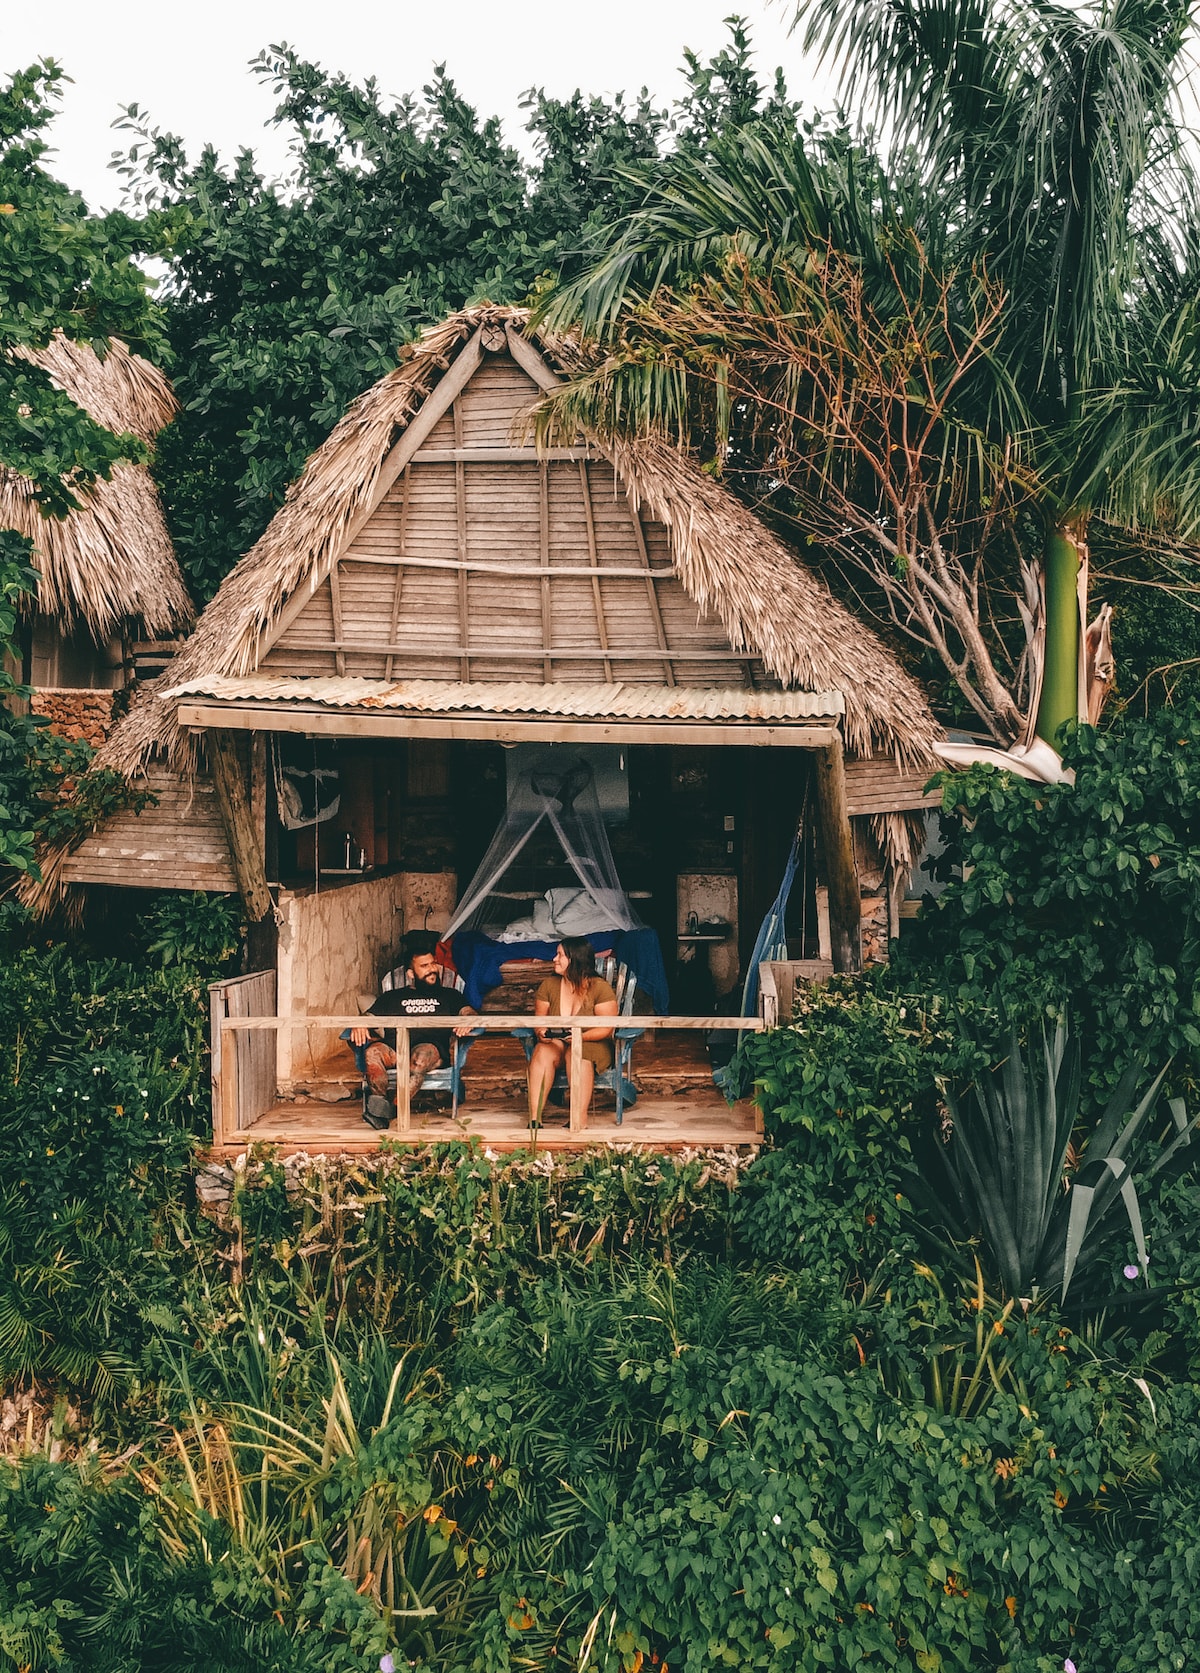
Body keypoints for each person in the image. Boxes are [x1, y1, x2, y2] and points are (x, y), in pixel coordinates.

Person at [349, 931, 476, 1129]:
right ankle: (378, 1105)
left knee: (420, 1055)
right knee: (373, 1052)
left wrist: (468, 1020)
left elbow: (469, 1011)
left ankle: (391, 1110)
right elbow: (370, 1016)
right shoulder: (391, 997)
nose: (432, 969)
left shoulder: (449, 995)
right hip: (395, 1050)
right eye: (425, 966)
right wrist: (360, 1023)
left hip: (431, 1050)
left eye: (433, 964)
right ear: (410, 974)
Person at [528, 937, 618, 1122]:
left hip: (593, 1041)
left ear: (574, 959)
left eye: (560, 955)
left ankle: (579, 1118)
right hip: (558, 1041)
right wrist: (541, 1032)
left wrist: (580, 1037)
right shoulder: (549, 985)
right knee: (542, 1051)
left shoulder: (600, 988)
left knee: (576, 1054)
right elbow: (540, 1019)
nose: (554, 959)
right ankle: (534, 1119)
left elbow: (606, 1027)